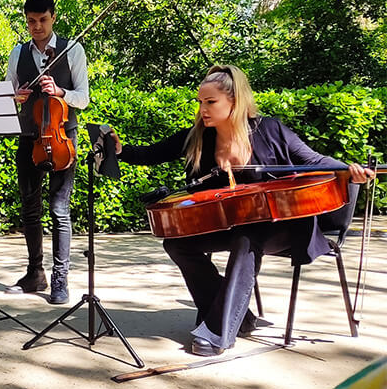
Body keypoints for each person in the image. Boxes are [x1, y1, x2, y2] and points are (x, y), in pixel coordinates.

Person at [110, 64, 373, 356]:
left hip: (284, 224)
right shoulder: (200, 136)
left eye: (210, 102)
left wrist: (349, 172)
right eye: (200, 102)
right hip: (231, 224)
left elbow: (315, 161)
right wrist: (120, 150)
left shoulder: (270, 130)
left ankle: (219, 332)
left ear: (234, 102)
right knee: (178, 244)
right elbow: (151, 153)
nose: (202, 110)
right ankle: (240, 317)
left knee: (247, 237)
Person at [5, 0, 90, 303]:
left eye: (42, 20)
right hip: (28, 136)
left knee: (59, 210)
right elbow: (8, 91)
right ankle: (34, 274)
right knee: (30, 208)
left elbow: (84, 97)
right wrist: (17, 97)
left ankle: (60, 278)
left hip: (62, 137)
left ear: (53, 17)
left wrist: (61, 91)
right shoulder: (18, 53)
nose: (36, 26)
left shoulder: (73, 50)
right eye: (31, 21)